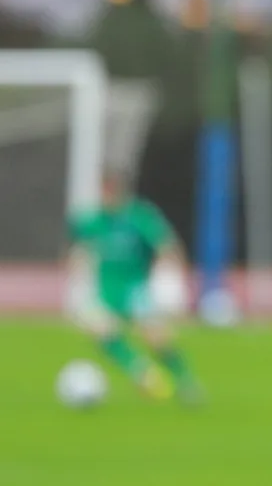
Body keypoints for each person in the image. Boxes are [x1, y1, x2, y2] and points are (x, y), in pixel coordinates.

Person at [65, 168, 202, 404]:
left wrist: (175, 277)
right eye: (103, 191)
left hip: (136, 289)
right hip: (106, 291)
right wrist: (76, 266)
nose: (106, 196)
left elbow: (166, 245)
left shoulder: (139, 217)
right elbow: (79, 245)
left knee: (157, 338)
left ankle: (186, 382)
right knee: (100, 330)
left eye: (110, 190)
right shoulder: (95, 220)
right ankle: (144, 375)